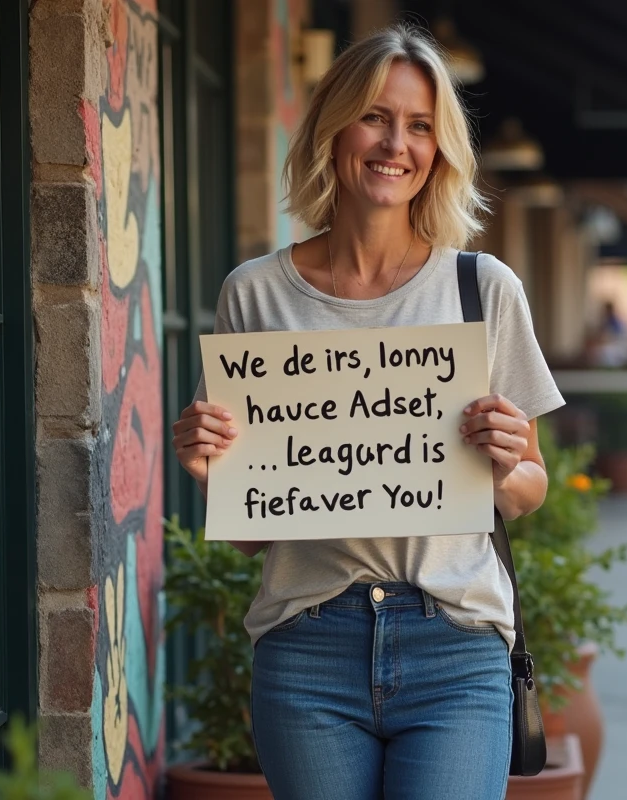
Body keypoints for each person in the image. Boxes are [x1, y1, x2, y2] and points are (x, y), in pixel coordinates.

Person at [170, 24, 564, 800]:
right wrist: (207, 470)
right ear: (334, 128)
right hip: (307, 646)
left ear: (440, 149)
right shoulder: (253, 293)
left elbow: (528, 490)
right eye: (376, 117)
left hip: (454, 644)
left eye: (420, 126)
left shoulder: (483, 289)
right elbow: (254, 532)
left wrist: (512, 458)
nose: (396, 144)